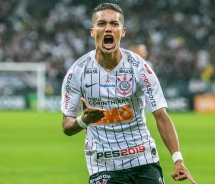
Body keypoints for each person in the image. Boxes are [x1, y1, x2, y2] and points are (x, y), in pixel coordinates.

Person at [61, 3, 196, 184]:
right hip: (104, 165)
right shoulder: (77, 72)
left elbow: (161, 116)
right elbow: (66, 125)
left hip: (144, 159)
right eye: (101, 24)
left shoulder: (139, 68)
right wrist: (84, 120)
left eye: (114, 24)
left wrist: (178, 160)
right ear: (93, 31)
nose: (108, 28)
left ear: (122, 32)